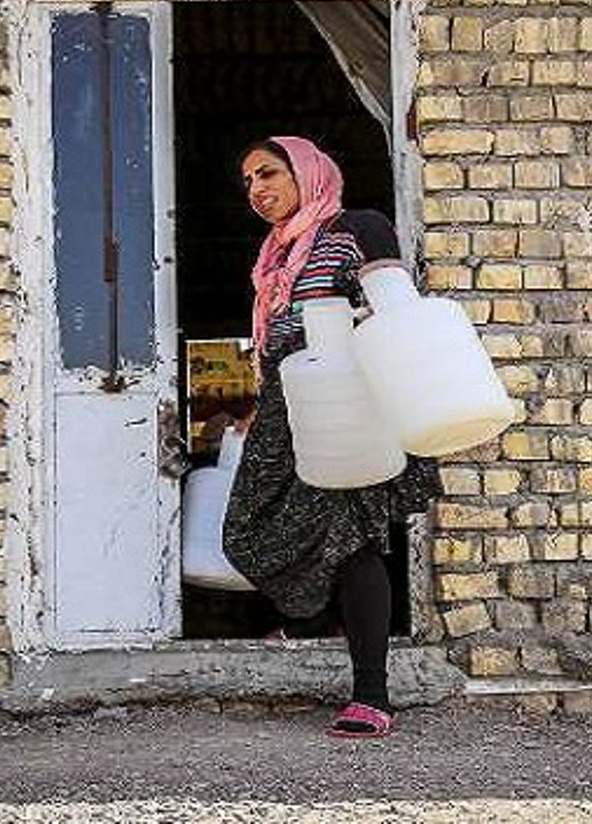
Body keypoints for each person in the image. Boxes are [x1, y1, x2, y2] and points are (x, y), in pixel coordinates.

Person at [221, 136, 440, 739]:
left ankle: (372, 695)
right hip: (286, 406)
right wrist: (256, 407)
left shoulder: (356, 228)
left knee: (353, 542)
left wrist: (351, 326)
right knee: (247, 530)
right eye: (247, 181)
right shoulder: (275, 254)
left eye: (268, 173)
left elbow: (394, 306)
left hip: (348, 400)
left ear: (307, 171)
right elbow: (275, 343)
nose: (257, 189)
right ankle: (317, 620)